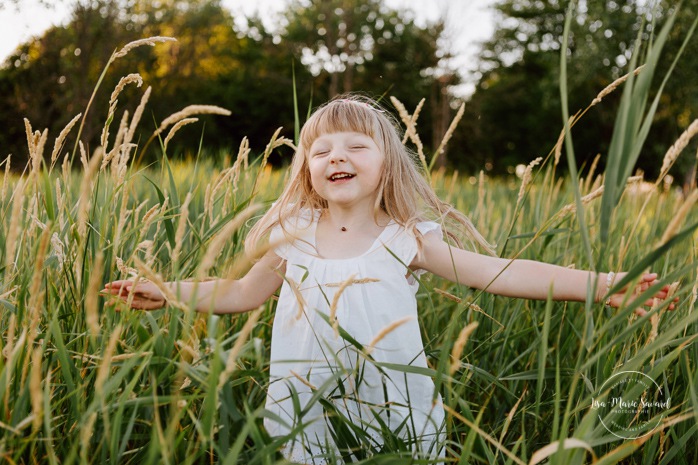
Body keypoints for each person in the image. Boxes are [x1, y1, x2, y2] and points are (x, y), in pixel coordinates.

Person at [102, 95, 674, 464]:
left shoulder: (407, 236)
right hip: (306, 413)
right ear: (306, 168)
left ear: (387, 162)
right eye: (319, 150)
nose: (336, 156)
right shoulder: (294, 234)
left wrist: (599, 283)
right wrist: (168, 290)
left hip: (392, 409)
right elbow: (238, 293)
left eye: (355, 145)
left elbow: (497, 272)